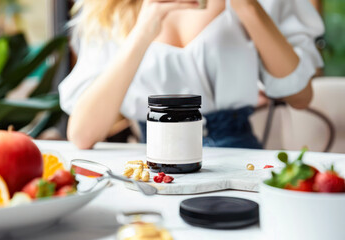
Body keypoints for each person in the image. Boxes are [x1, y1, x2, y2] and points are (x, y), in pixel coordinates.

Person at [59, 0, 324, 149]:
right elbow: (82, 134)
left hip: (239, 157)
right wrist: (141, 33)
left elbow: (300, 97)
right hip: (151, 162)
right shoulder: (110, 8)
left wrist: (249, 8)